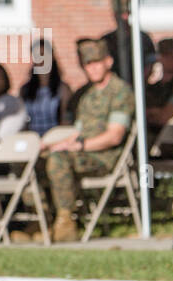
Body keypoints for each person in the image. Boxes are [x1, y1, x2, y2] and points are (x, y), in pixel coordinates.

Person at [40, 37, 134, 243]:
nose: (91, 69)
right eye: (86, 65)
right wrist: (56, 145)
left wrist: (79, 146)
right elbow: (78, 131)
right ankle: (41, 220)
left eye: (95, 63)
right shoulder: (86, 94)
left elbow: (114, 136)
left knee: (58, 160)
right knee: (41, 158)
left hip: (105, 157)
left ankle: (66, 221)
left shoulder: (120, 92)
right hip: (81, 151)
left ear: (108, 61)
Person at [18, 40, 72, 137]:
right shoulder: (25, 90)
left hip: (55, 141)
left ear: (52, 57)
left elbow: (66, 121)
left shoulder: (63, 89)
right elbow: (22, 122)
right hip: (31, 142)